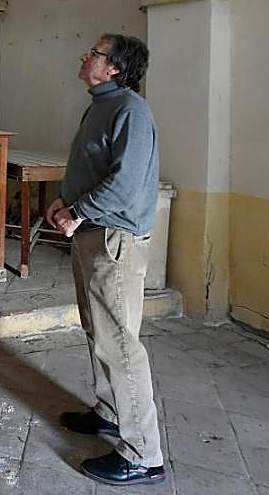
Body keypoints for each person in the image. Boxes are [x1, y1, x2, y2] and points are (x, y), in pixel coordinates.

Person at [46, 33, 165, 486]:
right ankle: (111, 412)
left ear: (114, 66)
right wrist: (65, 201)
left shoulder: (131, 111)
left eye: (94, 53)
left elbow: (125, 184)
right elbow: (90, 166)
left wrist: (78, 211)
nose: (85, 56)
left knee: (119, 343)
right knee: (98, 330)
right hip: (91, 231)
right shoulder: (100, 105)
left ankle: (143, 454)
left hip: (115, 239)